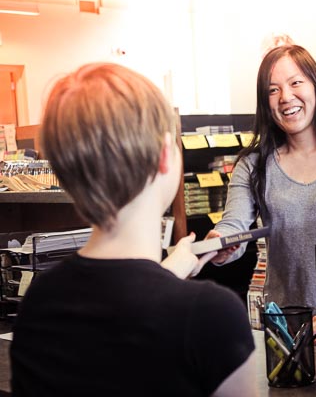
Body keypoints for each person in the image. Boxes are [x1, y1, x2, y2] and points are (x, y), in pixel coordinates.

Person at [10, 63, 257, 397]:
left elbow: (122, 303)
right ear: (164, 156)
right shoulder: (211, 316)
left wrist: (168, 271)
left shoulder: (39, 302)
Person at [206, 44, 316, 312]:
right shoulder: (253, 165)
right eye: (273, 89)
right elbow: (235, 224)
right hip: (286, 322)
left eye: (295, 83)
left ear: (315, 85)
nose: (285, 97)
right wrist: (220, 243)